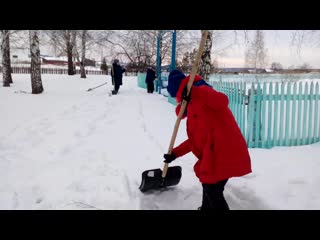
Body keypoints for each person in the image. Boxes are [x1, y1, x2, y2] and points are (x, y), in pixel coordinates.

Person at [163, 69, 252, 210]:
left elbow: (223, 100)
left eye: (177, 97)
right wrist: (175, 153)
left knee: (212, 189)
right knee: (210, 186)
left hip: (224, 151)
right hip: (214, 154)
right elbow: (195, 140)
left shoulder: (202, 93)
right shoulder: (192, 109)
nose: (177, 101)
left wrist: (196, 92)